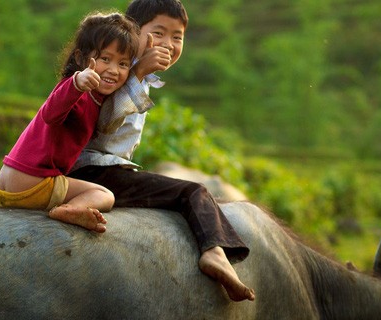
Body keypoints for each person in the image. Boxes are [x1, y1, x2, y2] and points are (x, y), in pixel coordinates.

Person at [67, 0, 255, 302]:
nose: (168, 43)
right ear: (133, 31)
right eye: (158, 32)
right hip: (96, 170)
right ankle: (214, 253)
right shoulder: (118, 70)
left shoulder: (134, 72)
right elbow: (103, 124)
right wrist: (137, 73)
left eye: (177, 36)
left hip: (105, 167)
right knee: (194, 193)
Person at [0, 12, 139, 233]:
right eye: (105, 59)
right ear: (81, 59)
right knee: (104, 195)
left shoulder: (96, 99)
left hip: (10, 177)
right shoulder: (75, 90)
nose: (113, 70)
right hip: (33, 181)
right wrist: (76, 83)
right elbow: (51, 113)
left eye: (123, 64)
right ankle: (70, 209)